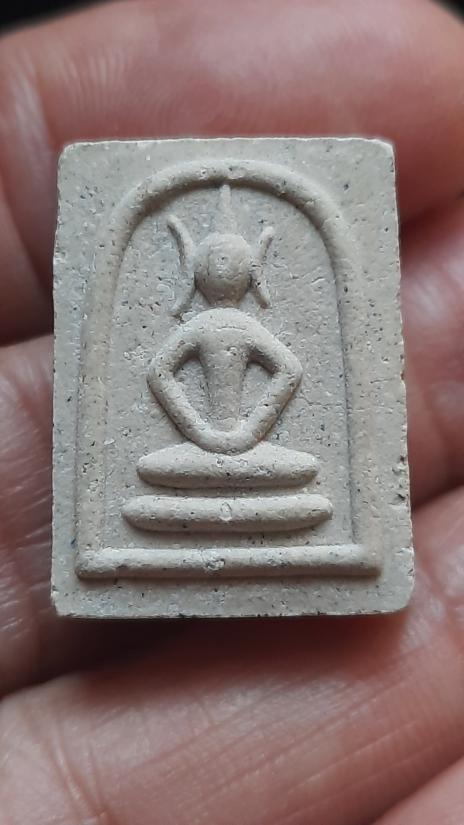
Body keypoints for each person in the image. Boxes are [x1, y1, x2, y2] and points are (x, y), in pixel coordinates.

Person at [1, 1, 464, 822]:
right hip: (203, 453)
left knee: (289, 473)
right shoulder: (207, 327)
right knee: (170, 477)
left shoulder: (245, 330)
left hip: (247, 451)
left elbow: (285, 375)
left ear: (243, 274)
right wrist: (205, 430)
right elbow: (161, 377)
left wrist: (243, 431)